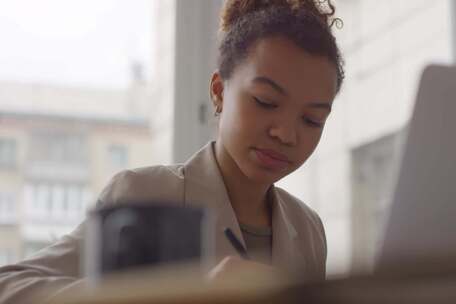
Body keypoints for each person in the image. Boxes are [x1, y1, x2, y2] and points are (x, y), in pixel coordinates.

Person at [0, 0, 345, 302]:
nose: (285, 134)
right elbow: (9, 285)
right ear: (219, 92)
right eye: (265, 101)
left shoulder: (308, 229)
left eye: (312, 120)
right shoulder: (143, 195)